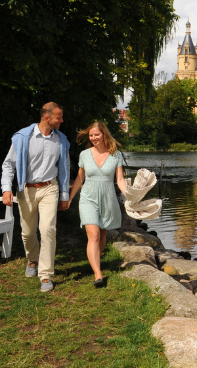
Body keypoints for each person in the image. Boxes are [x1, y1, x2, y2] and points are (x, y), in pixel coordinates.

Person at [2, 102, 71, 293]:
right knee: (27, 232)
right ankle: (32, 259)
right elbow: (9, 165)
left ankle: (46, 275)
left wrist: (64, 195)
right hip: (26, 189)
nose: (62, 120)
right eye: (59, 117)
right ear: (47, 117)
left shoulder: (61, 141)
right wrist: (6, 189)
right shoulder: (23, 137)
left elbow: (65, 170)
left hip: (50, 188)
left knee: (48, 229)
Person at [68, 121, 127, 288]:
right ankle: (98, 274)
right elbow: (80, 179)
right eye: (91, 135)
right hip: (88, 198)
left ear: (104, 135)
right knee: (93, 235)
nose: (94, 138)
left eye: (97, 135)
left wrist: (129, 196)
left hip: (107, 198)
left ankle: (97, 258)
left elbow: (120, 180)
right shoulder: (85, 155)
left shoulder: (115, 154)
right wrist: (70, 198)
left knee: (101, 235)